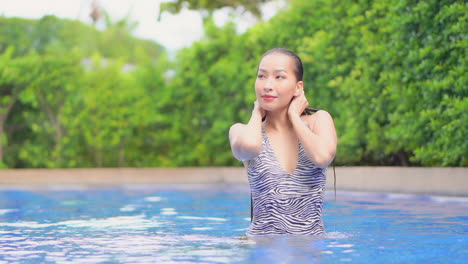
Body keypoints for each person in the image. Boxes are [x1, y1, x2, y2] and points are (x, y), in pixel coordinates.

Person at [229, 48, 337, 236]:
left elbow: (322, 157)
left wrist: (294, 116)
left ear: (298, 87)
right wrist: (256, 112)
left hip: (308, 249)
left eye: (279, 77)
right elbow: (249, 148)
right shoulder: (241, 131)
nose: (267, 85)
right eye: (261, 76)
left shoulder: (319, 120)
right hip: (261, 249)